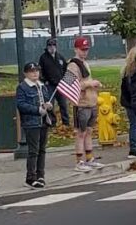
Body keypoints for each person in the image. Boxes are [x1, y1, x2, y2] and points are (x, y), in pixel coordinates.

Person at [66, 37, 104, 172]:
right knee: (80, 132)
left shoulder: (85, 63)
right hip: (81, 103)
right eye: (82, 50)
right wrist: (90, 84)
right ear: (76, 49)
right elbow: (70, 84)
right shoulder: (72, 65)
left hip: (91, 101)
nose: (85, 52)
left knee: (89, 131)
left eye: (86, 49)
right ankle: (79, 160)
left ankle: (89, 158)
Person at [16, 62, 53, 188]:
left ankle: (40, 175)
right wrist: (37, 110)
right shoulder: (23, 87)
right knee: (33, 151)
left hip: (43, 121)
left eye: (36, 71)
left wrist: (49, 106)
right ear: (26, 73)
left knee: (42, 149)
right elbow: (21, 104)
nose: (35, 73)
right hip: (31, 122)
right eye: (32, 71)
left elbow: (46, 99)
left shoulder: (42, 86)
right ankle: (30, 177)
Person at [38, 38, 69, 127]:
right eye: (50, 45)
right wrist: (44, 81)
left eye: (53, 45)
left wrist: (64, 80)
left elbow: (65, 69)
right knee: (50, 104)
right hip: (49, 85)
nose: (52, 47)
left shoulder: (60, 57)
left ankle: (66, 123)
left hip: (60, 85)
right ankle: (52, 122)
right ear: (47, 46)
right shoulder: (43, 58)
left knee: (63, 104)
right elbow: (40, 71)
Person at [119, 52, 136, 157]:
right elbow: (130, 89)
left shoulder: (129, 71)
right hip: (131, 102)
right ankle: (134, 148)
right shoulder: (130, 73)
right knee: (135, 125)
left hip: (131, 101)